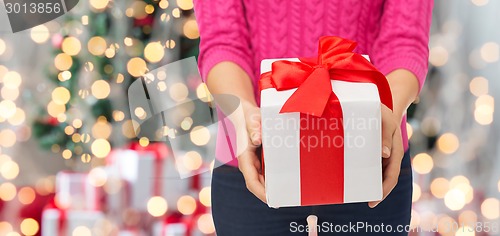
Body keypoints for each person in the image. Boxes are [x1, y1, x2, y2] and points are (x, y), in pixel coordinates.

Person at [193, 0, 433, 235]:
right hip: (252, 157)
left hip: (371, 153)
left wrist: (389, 108)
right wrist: (241, 112)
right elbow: (222, 41)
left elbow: (405, 40)